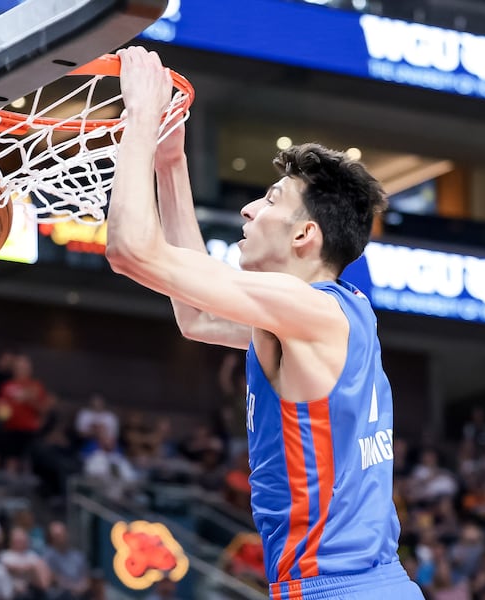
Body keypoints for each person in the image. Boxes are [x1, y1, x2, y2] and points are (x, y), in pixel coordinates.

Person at [105, 46, 423, 599]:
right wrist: (169, 162)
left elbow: (131, 250)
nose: (249, 210)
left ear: (305, 236)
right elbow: (198, 317)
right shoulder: (325, 314)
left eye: (270, 199)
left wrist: (137, 114)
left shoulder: (311, 311)